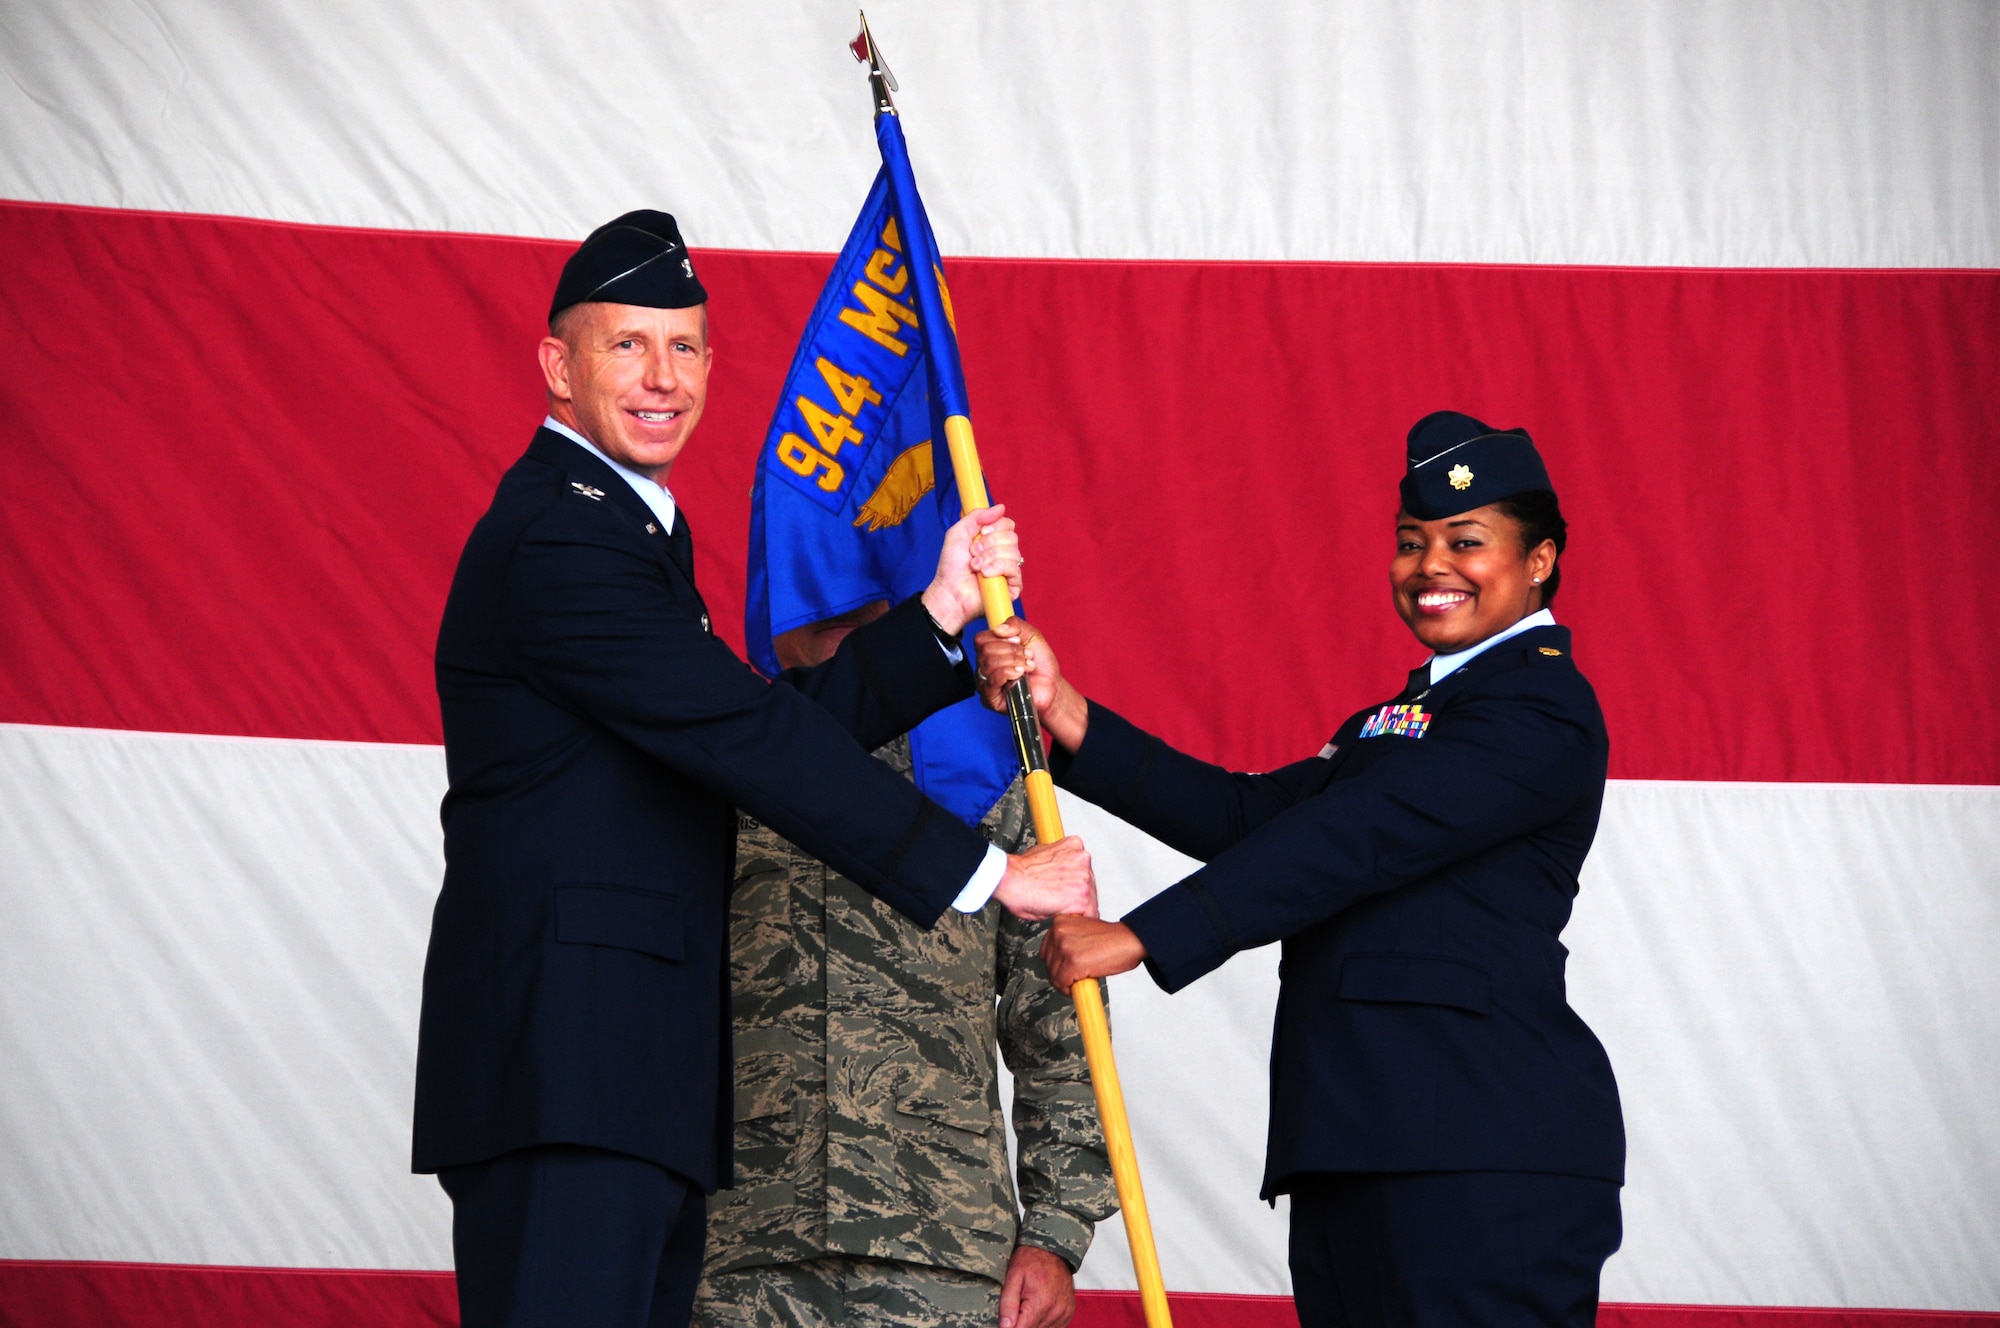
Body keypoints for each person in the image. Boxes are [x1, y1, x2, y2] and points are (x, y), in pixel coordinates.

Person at [414, 210, 1097, 1328]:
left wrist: (934, 612)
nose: (661, 376)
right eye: (626, 344)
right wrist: (985, 874)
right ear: (556, 364)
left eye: (683, 347)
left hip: (623, 1085)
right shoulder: (562, 535)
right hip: (572, 1076)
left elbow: (747, 724)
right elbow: (746, 735)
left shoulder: (628, 533)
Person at [980, 411, 1624, 1328]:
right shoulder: (1398, 722)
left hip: (1479, 1158)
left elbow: (1358, 835)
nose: (1430, 565)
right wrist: (1066, 707)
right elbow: (1250, 819)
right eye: (1411, 543)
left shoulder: (1542, 706)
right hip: (1360, 1151)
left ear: (1541, 562)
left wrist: (1143, 935)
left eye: (1466, 542)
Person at [694, 600, 1117, 1328]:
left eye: (869, 591)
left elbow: (1062, 1029)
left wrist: (1056, 1233)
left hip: (940, 1246)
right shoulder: (712, 775)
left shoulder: (983, 786)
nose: (845, 604)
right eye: (820, 586)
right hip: (739, 1247)